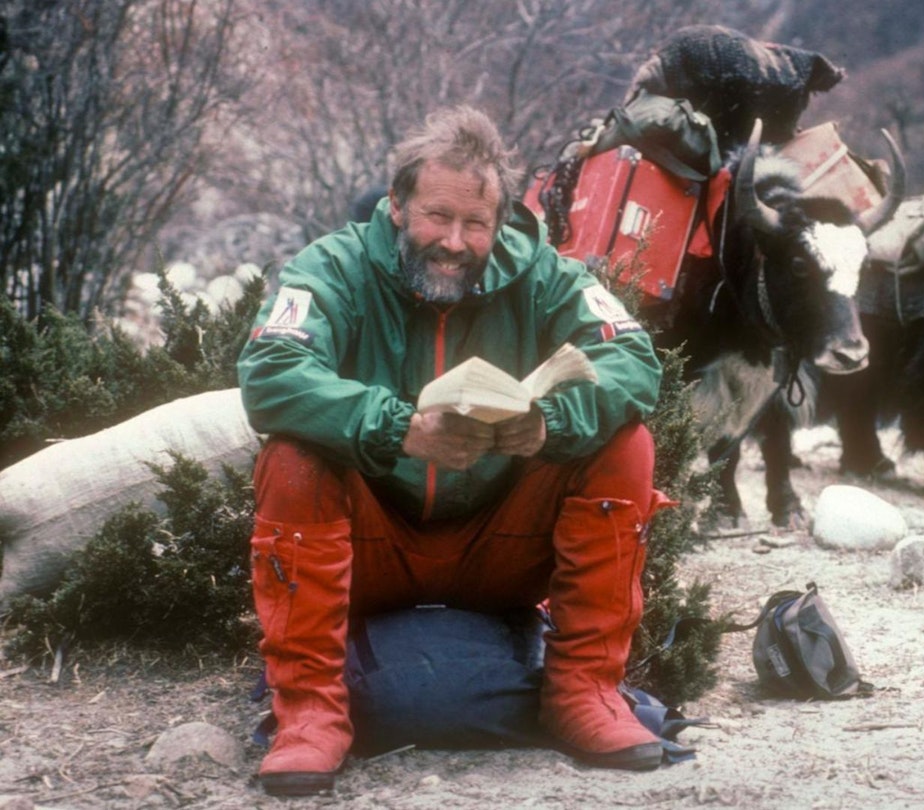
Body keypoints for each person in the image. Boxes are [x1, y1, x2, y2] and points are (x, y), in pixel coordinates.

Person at [237, 105, 667, 796]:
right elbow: (270, 373)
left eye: (476, 224)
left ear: (500, 224)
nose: (455, 242)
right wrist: (398, 426)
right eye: (438, 216)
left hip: (501, 547)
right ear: (397, 206)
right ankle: (310, 712)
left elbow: (635, 362)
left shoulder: (546, 274)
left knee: (625, 440)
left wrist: (550, 422)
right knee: (294, 454)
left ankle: (584, 692)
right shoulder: (334, 266)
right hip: (372, 548)